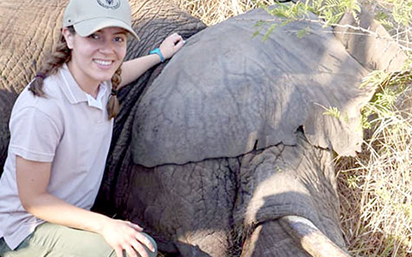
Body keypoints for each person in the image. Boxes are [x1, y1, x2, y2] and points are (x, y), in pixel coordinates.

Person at [0, 0, 185, 256]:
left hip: (69, 220)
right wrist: (105, 225)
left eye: (118, 39)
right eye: (94, 36)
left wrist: (159, 54)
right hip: (24, 231)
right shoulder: (41, 110)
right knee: (135, 252)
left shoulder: (99, 83)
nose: (107, 50)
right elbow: (33, 201)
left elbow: (121, 74)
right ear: (69, 36)